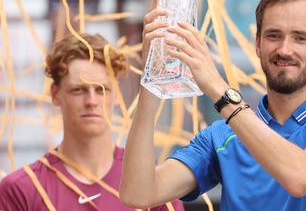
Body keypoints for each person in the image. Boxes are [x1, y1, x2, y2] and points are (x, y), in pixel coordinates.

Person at [120, 0, 306, 210]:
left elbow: (301, 176)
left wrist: (218, 89)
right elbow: (138, 193)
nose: (285, 49)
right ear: (257, 44)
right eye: (274, 35)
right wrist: (152, 74)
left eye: (300, 38)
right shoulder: (221, 137)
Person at [0, 33, 184, 211]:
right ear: (55, 95)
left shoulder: (153, 185)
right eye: (78, 90)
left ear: (116, 95)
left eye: (101, 90)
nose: (92, 101)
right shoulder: (22, 189)